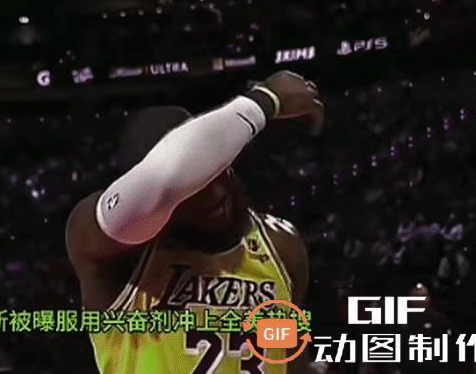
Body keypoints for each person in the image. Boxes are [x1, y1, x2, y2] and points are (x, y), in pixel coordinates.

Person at [66, 71, 325, 373]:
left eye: (220, 171)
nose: (216, 193)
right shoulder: (108, 250)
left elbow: (288, 359)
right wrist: (266, 101)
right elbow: (165, 176)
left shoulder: (281, 242)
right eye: (194, 189)